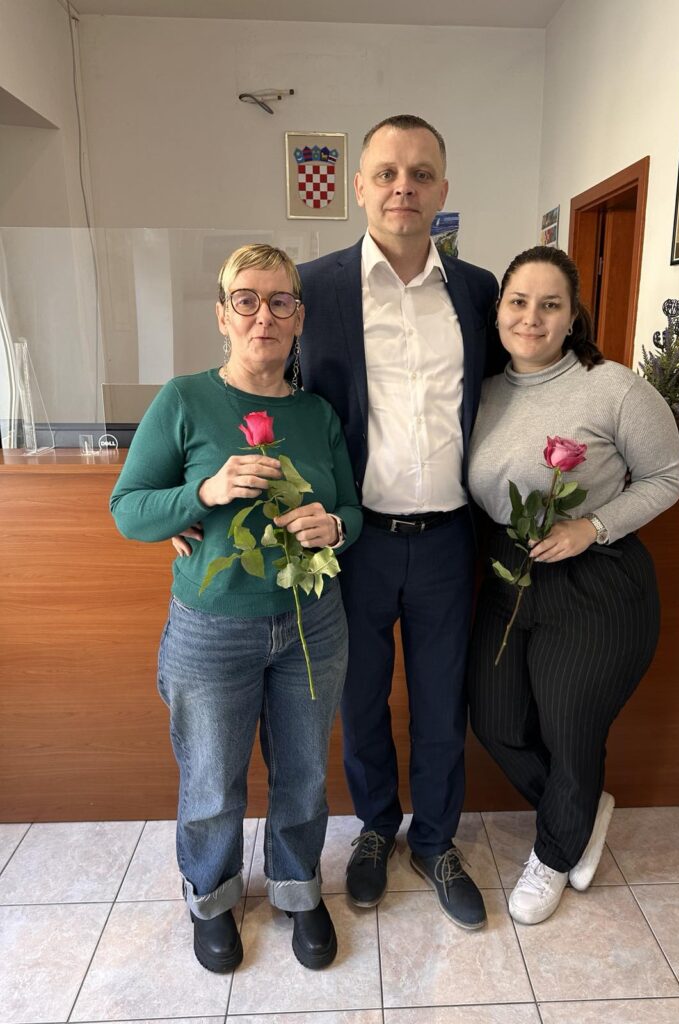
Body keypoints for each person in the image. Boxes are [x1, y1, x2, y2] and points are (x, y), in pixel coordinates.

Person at [111, 244, 362, 973]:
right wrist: (202, 494)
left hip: (312, 625)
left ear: (299, 318)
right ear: (222, 315)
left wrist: (334, 526)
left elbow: (352, 510)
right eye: (246, 300)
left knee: (304, 774)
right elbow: (129, 509)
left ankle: (296, 887)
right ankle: (212, 897)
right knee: (211, 780)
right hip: (212, 628)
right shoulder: (185, 399)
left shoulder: (316, 414)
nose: (264, 316)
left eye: (281, 301)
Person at [297, 114, 503, 929]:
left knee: (442, 703)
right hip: (357, 541)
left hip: (450, 539)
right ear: (359, 187)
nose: (402, 188)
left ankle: (437, 840)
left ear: (443, 189)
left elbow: (515, 387)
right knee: (361, 701)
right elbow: (258, 387)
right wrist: (201, 486)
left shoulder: (478, 291)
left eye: (420, 174)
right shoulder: (314, 288)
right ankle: (378, 829)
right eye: (386, 173)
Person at [467, 245, 679, 925]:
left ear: (572, 317)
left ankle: (556, 853)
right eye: (518, 302)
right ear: (498, 310)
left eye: (550, 305)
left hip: (595, 581)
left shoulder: (614, 388)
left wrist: (592, 527)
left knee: (570, 729)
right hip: (509, 573)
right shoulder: (484, 390)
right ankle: (582, 808)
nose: (531, 317)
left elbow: (666, 478)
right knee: (495, 721)